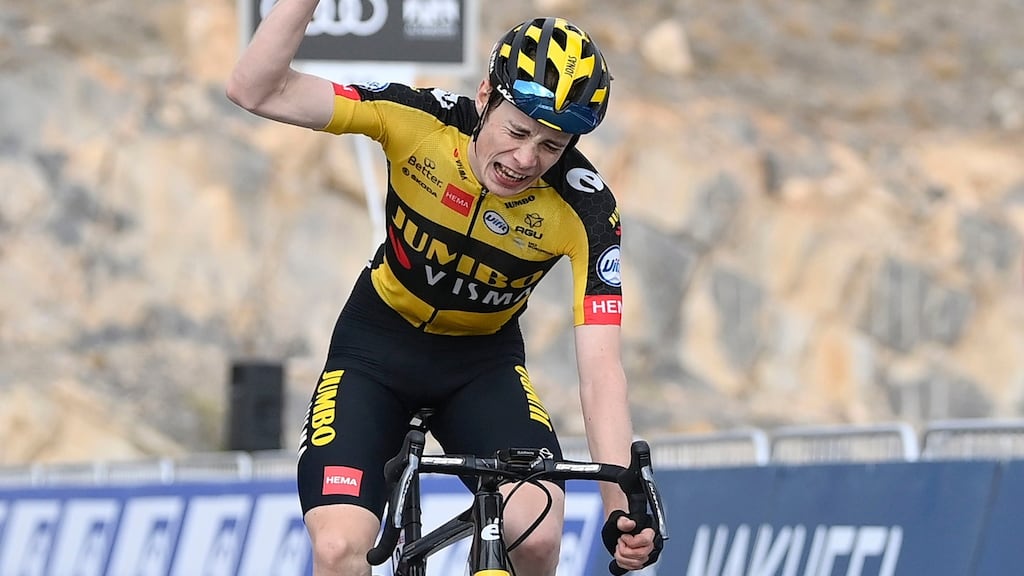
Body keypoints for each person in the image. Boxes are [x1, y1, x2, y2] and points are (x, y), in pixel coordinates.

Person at [226, 3, 661, 575]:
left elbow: (601, 370)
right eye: (517, 130)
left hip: (480, 367)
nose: (526, 159)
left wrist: (619, 507)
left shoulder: (587, 209)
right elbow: (255, 89)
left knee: (535, 536)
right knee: (337, 548)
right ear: (485, 97)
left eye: (553, 147)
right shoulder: (417, 120)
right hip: (374, 349)